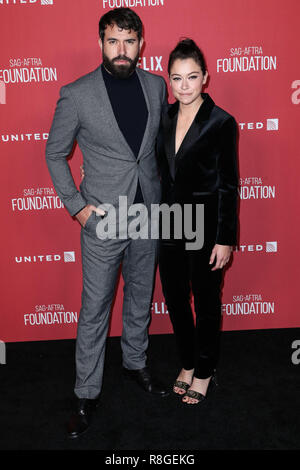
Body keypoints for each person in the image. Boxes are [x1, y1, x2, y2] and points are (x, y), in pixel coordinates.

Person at [45, 8, 168, 439]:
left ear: (141, 46)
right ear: (101, 43)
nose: (122, 50)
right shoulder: (76, 94)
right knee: (95, 309)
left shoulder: (156, 86)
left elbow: (153, 153)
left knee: (140, 295)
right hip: (102, 219)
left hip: (147, 214)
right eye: (114, 41)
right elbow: (54, 154)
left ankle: (136, 363)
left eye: (130, 41)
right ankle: (86, 391)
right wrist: (77, 206)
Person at [157, 39, 239, 405]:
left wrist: (225, 238)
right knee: (175, 298)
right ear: (169, 81)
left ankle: (205, 370)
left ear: (205, 77)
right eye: (177, 78)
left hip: (206, 229)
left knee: (206, 302)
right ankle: (187, 362)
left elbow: (228, 184)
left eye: (192, 77)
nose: (184, 86)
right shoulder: (164, 117)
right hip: (171, 224)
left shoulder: (221, 122)